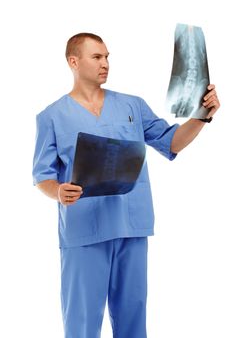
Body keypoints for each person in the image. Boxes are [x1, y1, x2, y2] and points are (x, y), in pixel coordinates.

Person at [32, 33, 220, 338]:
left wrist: (203, 116)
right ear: (74, 61)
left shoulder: (132, 105)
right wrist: (58, 191)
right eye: (97, 57)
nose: (105, 64)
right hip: (84, 231)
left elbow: (171, 142)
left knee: (133, 318)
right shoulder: (52, 116)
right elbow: (42, 175)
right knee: (81, 322)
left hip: (131, 226)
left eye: (107, 57)